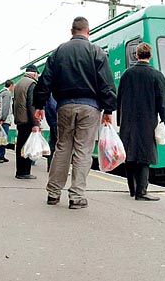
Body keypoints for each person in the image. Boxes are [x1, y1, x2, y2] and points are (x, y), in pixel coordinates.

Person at [34, 16, 117, 209]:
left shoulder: (58, 52)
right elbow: (106, 82)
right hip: (90, 107)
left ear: (71, 31)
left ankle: (53, 193)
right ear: (88, 32)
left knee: (63, 147)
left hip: (64, 106)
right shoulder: (96, 51)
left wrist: (39, 105)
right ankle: (76, 196)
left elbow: (45, 80)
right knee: (83, 150)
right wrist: (109, 109)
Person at [117, 42, 165, 201]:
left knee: (130, 153)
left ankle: (132, 189)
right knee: (145, 155)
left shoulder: (127, 74)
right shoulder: (156, 75)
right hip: (148, 120)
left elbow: (120, 98)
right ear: (150, 55)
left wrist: (120, 119)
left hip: (128, 120)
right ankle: (142, 191)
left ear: (136, 55)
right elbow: (163, 102)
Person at [12, 65, 40, 179]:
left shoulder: (18, 84)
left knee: (20, 145)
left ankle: (19, 171)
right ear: (34, 74)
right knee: (28, 146)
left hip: (20, 119)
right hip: (28, 120)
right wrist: (35, 123)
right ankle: (25, 172)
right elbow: (31, 104)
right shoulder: (31, 84)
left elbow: (14, 104)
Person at [0, 79, 15, 163]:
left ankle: (1, 154)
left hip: (0, 118)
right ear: (11, 85)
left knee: (1, 137)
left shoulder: (1, 93)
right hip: (4, 120)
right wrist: (3, 119)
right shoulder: (7, 93)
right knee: (2, 137)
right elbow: (5, 107)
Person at [43, 94, 58, 172]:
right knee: (58, 146)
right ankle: (55, 168)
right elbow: (53, 106)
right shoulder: (52, 94)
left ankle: (50, 166)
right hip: (56, 122)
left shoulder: (49, 93)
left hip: (52, 122)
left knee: (52, 144)